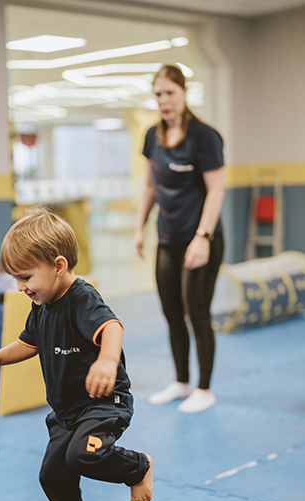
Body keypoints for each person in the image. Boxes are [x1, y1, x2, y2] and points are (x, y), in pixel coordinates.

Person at [0, 208, 153, 501]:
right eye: (16, 279)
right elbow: (28, 344)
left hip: (102, 402)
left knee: (83, 455)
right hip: (67, 409)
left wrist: (107, 361)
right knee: (52, 475)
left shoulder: (82, 297)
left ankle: (137, 467)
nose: (21, 287)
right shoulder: (42, 303)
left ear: (58, 265)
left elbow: (112, 327)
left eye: (25, 277)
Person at [134, 65, 225, 414]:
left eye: (170, 92)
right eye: (158, 94)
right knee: (171, 312)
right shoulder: (152, 136)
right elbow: (150, 185)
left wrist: (203, 237)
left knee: (197, 312)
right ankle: (182, 381)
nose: (164, 100)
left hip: (200, 238)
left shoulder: (204, 136)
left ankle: (204, 388)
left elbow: (216, 190)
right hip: (168, 238)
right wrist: (140, 227)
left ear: (184, 93)